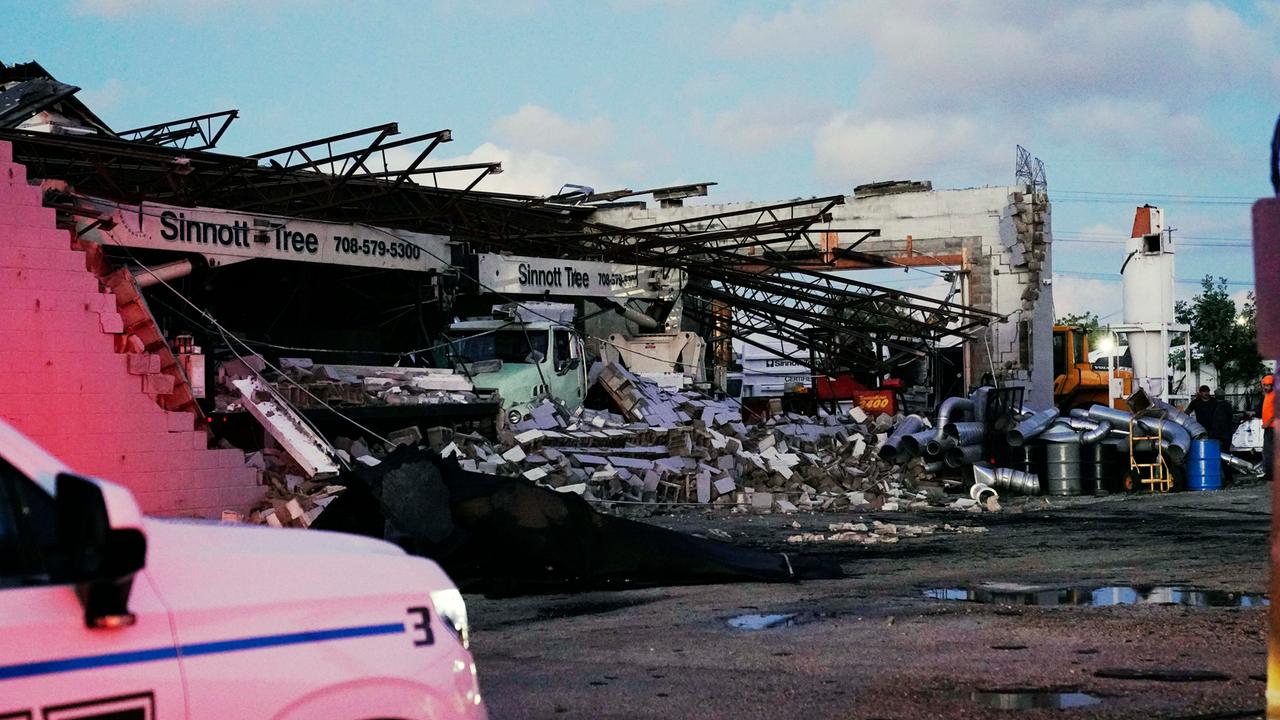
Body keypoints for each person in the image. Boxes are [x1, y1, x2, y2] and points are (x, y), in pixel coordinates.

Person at [1263, 375, 1275, 481]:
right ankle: (1269, 474)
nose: (1266, 387)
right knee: (1268, 452)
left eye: (1268, 385)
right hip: (1269, 428)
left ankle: (1270, 475)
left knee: (1269, 452)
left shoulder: (1274, 395)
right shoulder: (1267, 395)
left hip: (1272, 428)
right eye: (1265, 385)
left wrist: (1268, 423)